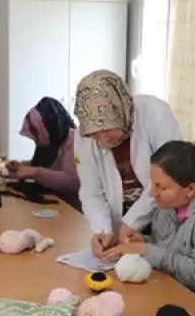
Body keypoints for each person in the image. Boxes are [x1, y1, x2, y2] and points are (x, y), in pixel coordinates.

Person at [103, 141, 195, 302]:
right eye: (153, 184)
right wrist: (144, 241)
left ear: (190, 190)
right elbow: (172, 249)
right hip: (170, 292)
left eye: (160, 187)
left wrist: (146, 250)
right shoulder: (170, 202)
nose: (152, 193)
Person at [73, 70, 182, 259]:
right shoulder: (84, 136)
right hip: (123, 227)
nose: (101, 140)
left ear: (120, 109)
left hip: (165, 218)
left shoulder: (155, 114)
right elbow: (91, 192)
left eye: (106, 129)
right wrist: (102, 231)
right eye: (94, 134)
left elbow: (170, 177)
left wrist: (131, 221)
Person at [6, 97, 80, 209]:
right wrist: (19, 168)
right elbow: (43, 165)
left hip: (72, 210)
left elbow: (74, 182)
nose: (36, 141)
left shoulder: (75, 143)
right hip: (53, 202)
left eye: (37, 136)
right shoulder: (50, 142)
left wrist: (35, 172)